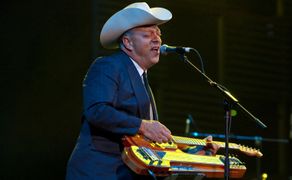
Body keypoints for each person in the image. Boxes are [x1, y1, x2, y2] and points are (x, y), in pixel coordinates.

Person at [66, 2, 218, 180]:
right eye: (148, 34)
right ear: (128, 42)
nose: (157, 39)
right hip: (100, 171)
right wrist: (143, 125)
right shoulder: (107, 66)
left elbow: (146, 142)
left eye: (158, 33)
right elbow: (97, 111)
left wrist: (193, 153)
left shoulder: (142, 79)